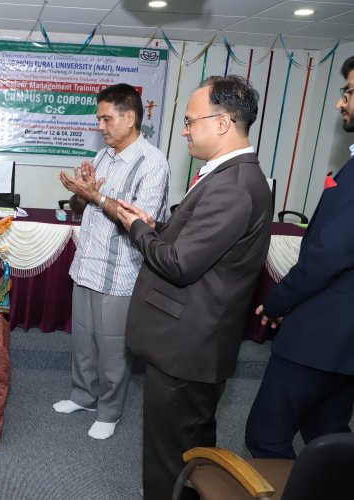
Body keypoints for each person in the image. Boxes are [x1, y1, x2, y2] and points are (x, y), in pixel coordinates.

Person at [115, 75, 272, 499]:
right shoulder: (230, 176)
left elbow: (181, 264)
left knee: (169, 459)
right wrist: (156, 228)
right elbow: (199, 246)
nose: (184, 130)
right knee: (194, 453)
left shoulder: (234, 186)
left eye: (189, 121)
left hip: (187, 351)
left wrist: (134, 228)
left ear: (222, 123)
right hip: (197, 345)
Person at [245, 56, 354, 459]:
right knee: (329, 435)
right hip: (344, 342)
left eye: (348, 92)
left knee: (267, 436)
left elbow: (328, 254)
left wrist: (278, 302)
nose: (341, 103)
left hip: (320, 336)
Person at [54, 83, 170, 440]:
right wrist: (81, 192)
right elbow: (85, 205)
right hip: (88, 266)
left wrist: (95, 194)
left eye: (107, 118)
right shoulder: (105, 156)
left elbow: (141, 220)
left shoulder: (153, 163)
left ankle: (109, 411)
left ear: (130, 117)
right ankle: (84, 396)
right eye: (99, 119)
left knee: (114, 348)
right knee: (84, 342)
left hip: (121, 274)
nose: (101, 126)